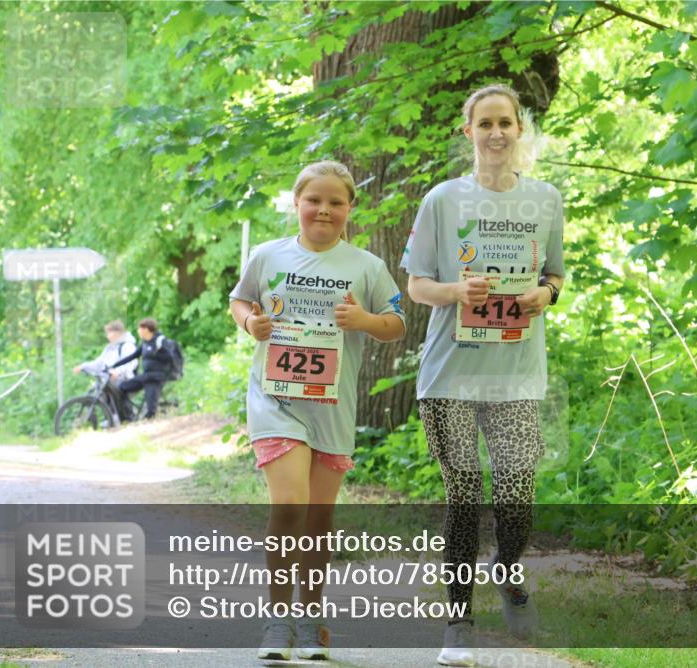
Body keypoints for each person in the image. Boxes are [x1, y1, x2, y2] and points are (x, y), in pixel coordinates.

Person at [402, 83, 565, 666]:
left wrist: (544, 294)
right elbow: (417, 284)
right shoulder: (443, 200)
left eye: (506, 122)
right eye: (485, 123)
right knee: (464, 494)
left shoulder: (545, 200)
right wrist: (455, 290)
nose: (496, 132)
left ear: (520, 130)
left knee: (518, 494)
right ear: (467, 132)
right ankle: (459, 623)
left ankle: (509, 568)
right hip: (450, 375)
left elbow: (555, 274)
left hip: (516, 375)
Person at [229, 160, 406, 662]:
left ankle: (310, 618)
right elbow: (239, 301)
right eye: (314, 200)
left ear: (350, 208)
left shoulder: (366, 265)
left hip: (331, 406)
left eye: (335, 202)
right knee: (290, 506)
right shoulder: (268, 256)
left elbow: (396, 323)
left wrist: (366, 319)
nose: (323, 210)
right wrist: (251, 325)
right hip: (274, 400)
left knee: (318, 519)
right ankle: (276, 621)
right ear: (297, 203)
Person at [74, 320, 138, 421]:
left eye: (109, 332)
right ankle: (111, 419)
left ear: (116, 333)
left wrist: (117, 371)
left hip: (126, 379)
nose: (107, 335)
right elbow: (99, 363)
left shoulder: (127, 346)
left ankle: (126, 417)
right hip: (110, 379)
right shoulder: (110, 348)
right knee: (98, 391)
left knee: (113, 392)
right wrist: (83, 366)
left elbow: (131, 363)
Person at [111, 318, 174, 420]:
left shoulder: (160, 340)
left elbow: (170, 357)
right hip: (145, 376)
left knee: (151, 412)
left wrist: (156, 354)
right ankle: (127, 415)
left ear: (146, 329)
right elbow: (133, 356)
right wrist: (114, 365)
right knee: (122, 388)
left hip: (155, 378)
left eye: (140, 329)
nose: (138, 331)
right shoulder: (145, 343)